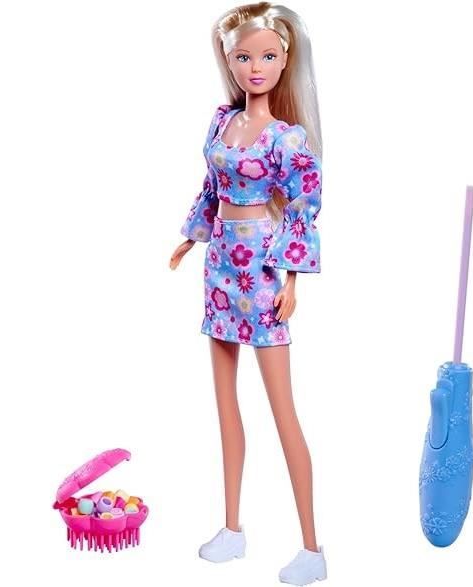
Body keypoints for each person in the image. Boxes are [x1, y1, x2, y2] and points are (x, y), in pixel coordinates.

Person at [170, 3, 326, 584]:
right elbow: (211, 187)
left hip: (260, 267)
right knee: (225, 404)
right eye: (243, 56)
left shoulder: (287, 138)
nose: (254, 67)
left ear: (285, 61)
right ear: (228, 60)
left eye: (267, 56)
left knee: (283, 410)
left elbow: (303, 207)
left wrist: (291, 280)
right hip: (219, 266)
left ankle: (311, 546)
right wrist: (191, 238)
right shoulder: (222, 123)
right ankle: (232, 528)